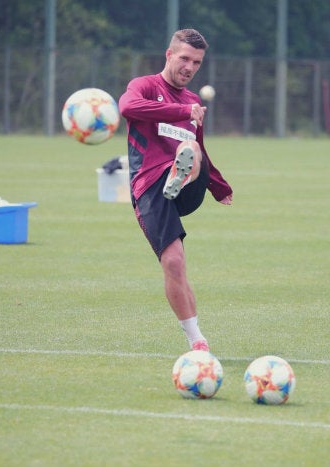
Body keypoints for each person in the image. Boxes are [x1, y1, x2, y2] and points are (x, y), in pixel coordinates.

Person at [118, 29, 233, 352]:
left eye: (196, 62)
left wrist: (218, 186)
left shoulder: (194, 101)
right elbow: (127, 107)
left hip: (186, 185)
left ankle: (178, 176)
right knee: (173, 263)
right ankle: (197, 341)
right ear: (168, 55)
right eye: (184, 58)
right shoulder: (144, 86)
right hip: (149, 188)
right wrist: (181, 112)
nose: (190, 67)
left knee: (190, 147)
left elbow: (202, 148)